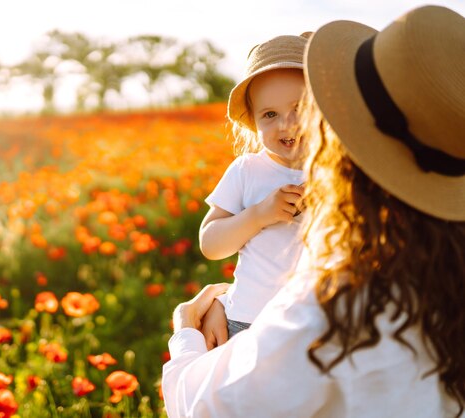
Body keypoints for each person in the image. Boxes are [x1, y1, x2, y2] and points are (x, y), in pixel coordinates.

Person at [163, 5, 465, 418]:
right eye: (270, 114)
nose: (293, 127)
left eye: (313, 111)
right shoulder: (438, 275)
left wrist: (186, 331)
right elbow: (220, 241)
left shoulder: (331, 310)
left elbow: (204, 406)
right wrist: (229, 295)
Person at [199, 33, 309, 348]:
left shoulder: (338, 170)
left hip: (317, 322)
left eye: (299, 107)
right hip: (248, 321)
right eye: (270, 114)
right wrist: (259, 215)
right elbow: (211, 244)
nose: (286, 125)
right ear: (254, 122)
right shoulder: (248, 170)